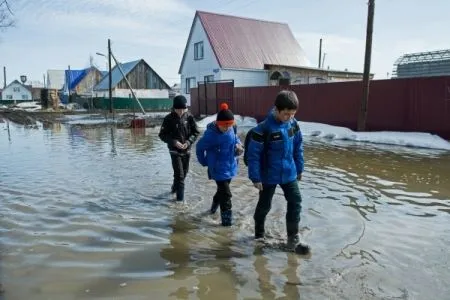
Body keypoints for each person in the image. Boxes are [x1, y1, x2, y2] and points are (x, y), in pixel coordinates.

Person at [246, 90, 308, 250]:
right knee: (264, 205)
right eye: (286, 114)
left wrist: (300, 167)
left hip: (289, 172)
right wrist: (256, 177)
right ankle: (259, 235)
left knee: (296, 201)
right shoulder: (263, 129)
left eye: (293, 114)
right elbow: (253, 155)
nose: (290, 117)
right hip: (268, 176)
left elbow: (298, 147)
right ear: (277, 110)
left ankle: (293, 236)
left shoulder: (293, 124)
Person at [196, 103, 244, 226]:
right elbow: (199, 147)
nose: (227, 128)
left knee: (221, 192)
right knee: (226, 196)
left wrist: (239, 145)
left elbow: (235, 139)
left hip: (230, 166)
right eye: (224, 126)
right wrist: (204, 162)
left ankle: (212, 210)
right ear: (218, 123)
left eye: (229, 125)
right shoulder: (210, 135)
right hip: (218, 169)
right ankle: (227, 226)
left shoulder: (231, 128)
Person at [159, 95, 200, 201]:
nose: (181, 112)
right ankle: (179, 203)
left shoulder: (189, 117)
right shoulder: (168, 118)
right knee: (180, 176)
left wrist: (188, 142)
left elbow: (196, 132)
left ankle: (174, 188)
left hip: (187, 150)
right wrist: (174, 142)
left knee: (183, 174)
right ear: (174, 108)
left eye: (183, 109)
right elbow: (162, 135)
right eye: (178, 109)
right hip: (174, 151)